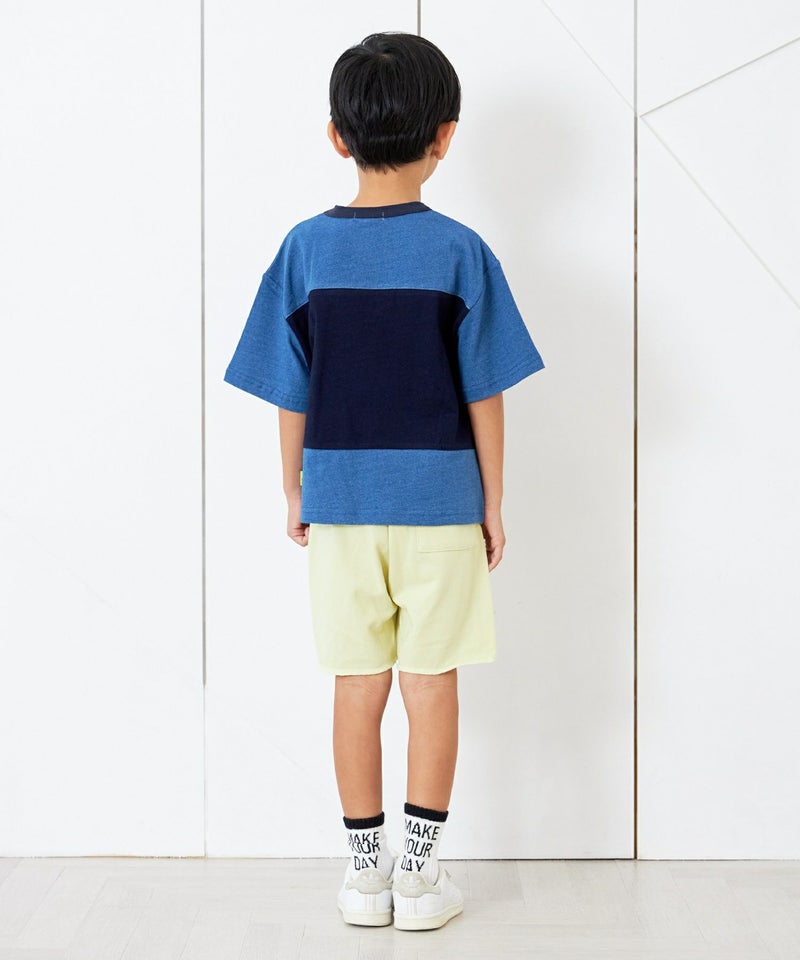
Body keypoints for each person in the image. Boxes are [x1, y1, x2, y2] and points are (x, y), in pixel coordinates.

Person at [223, 31, 545, 931]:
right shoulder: (461, 251)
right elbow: (484, 390)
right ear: (446, 136)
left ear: (337, 135)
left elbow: (289, 389)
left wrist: (294, 489)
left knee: (356, 685)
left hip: (341, 507)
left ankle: (365, 878)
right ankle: (421, 877)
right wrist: (492, 500)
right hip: (440, 509)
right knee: (431, 684)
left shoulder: (304, 250)